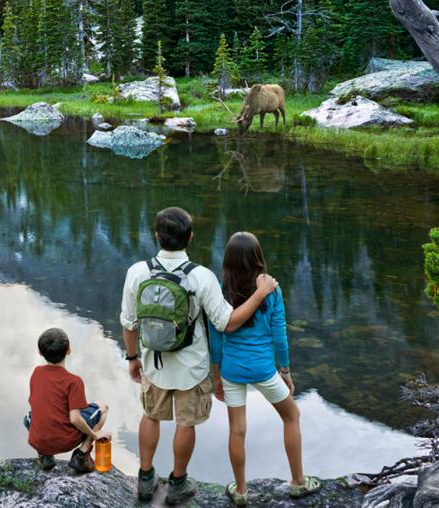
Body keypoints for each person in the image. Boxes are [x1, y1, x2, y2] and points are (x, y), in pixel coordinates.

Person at [120, 207, 278, 504]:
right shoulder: (201, 276)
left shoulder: (137, 272)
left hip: (154, 363)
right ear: (190, 237)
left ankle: (145, 478)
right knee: (186, 423)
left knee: (150, 416)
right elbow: (227, 322)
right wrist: (259, 295)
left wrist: (132, 358)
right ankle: (177, 482)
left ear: (157, 236)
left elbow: (128, 323)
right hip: (191, 368)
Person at [209, 232, 321, 505]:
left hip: (232, 370)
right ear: (258, 258)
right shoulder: (272, 292)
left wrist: (216, 378)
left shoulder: (220, 291)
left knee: (237, 430)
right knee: (291, 416)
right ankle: (297, 482)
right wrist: (284, 370)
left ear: (228, 260)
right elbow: (279, 335)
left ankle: (241, 490)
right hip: (264, 370)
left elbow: (216, 340)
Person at [26, 327, 111, 472]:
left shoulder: (36, 372)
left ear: (40, 353)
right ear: (69, 351)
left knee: (28, 416)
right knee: (103, 407)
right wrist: (95, 435)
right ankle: (82, 455)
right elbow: (75, 419)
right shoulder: (73, 381)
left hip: (38, 441)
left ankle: (45, 456)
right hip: (66, 440)